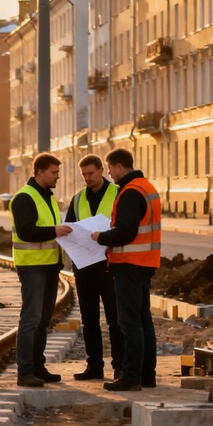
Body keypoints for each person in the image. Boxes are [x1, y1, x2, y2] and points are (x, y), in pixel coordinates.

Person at [91, 148, 162, 391]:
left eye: (109, 168)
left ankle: (131, 376)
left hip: (129, 265)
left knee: (129, 322)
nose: (109, 173)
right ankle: (146, 375)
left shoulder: (130, 192)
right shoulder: (147, 187)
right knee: (143, 321)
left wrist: (101, 237)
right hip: (144, 263)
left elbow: (125, 232)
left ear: (119, 166)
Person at [11, 152, 73, 387]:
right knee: (31, 319)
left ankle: (38, 366)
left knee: (43, 320)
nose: (57, 176)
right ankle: (25, 371)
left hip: (49, 266)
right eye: (54, 172)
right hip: (32, 267)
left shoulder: (47, 196)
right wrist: (54, 231)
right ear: (39, 172)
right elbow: (27, 231)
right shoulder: (24, 198)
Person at [65, 155, 124, 381]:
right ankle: (94, 366)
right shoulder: (78, 198)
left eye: (91, 173)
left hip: (110, 265)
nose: (87, 178)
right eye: (84, 174)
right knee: (89, 320)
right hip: (84, 266)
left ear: (101, 170)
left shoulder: (117, 193)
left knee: (115, 319)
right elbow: (70, 228)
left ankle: (119, 366)